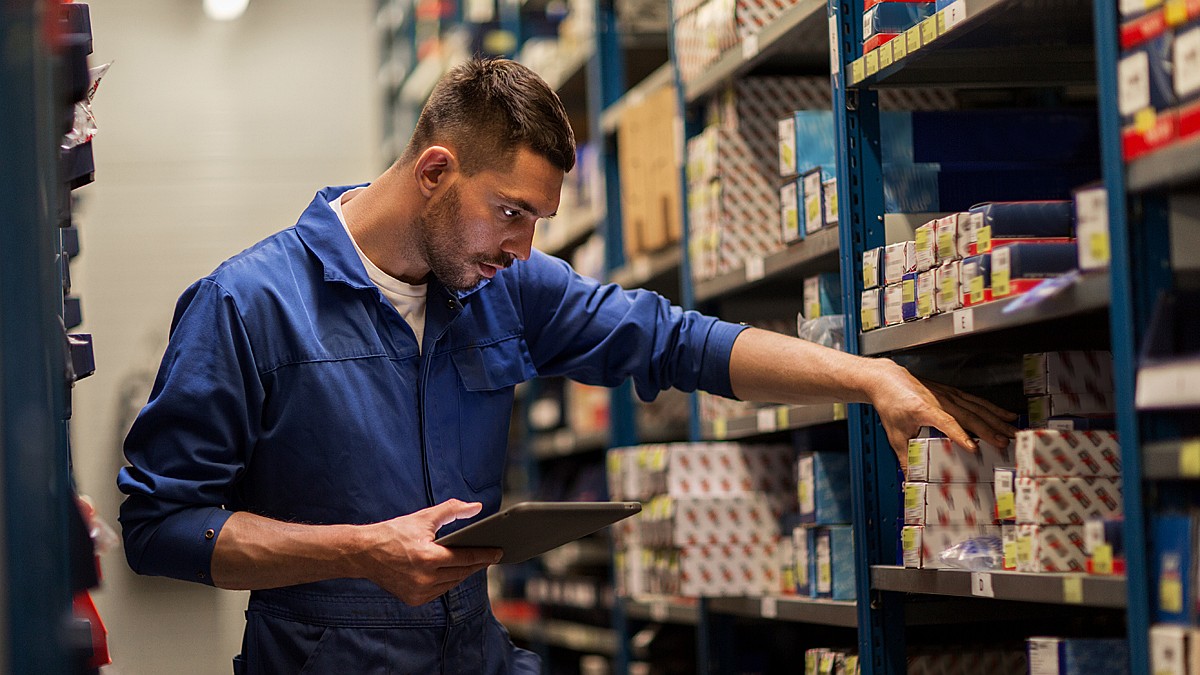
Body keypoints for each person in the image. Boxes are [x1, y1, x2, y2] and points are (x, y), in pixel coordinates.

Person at [118, 57, 1016, 674]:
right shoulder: (246, 304)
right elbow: (160, 524)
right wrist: (360, 552)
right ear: (435, 169)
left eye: (538, 221)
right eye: (511, 211)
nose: (525, 245)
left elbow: (673, 340)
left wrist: (870, 378)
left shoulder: (503, 284)